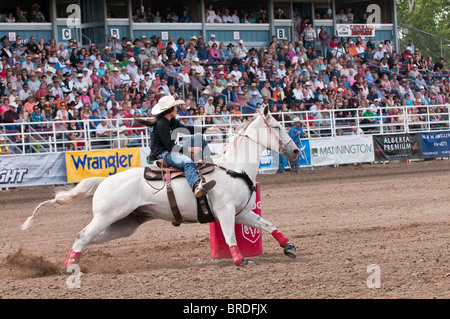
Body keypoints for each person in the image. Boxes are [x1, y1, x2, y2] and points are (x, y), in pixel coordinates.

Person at [140, 96, 218, 197]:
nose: (177, 108)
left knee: (198, 136)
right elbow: (170, 146)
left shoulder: (172, 121)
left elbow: (186, 128)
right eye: (175, 107)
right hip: (164, 154)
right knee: (187, 162)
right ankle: (196, 186)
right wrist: (191, 149)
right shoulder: (161, 124)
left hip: (172, 150)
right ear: (170, 110)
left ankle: (210, 163)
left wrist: (207, 129)